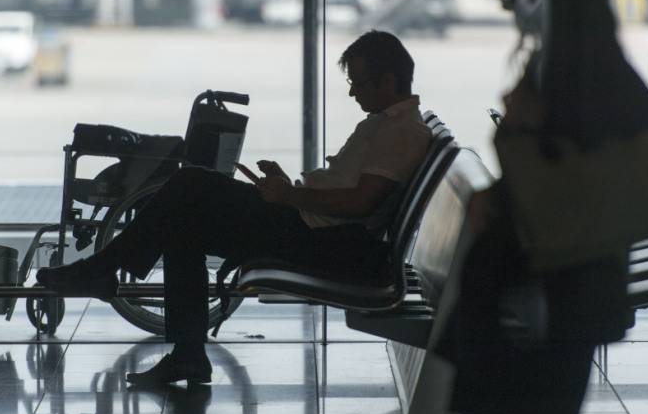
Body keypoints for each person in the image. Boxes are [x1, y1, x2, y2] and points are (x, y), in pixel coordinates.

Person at [37, 30, 431, 387]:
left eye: (358, 83)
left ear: (389, 82)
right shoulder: (386, 124)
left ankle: (100, 273)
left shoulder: (402, 131)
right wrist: (288, 186)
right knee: (183, 221)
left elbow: (361, 203)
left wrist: (288, 196)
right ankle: (185, 354)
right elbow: (351, 192)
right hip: (312, 226)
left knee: (190, 183)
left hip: (323, 240)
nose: (352, 93)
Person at [433, 0, 648, 414]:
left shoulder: (575, 67)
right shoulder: (568, 56)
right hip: (556, 289)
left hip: (553, 292)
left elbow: (575, 179)